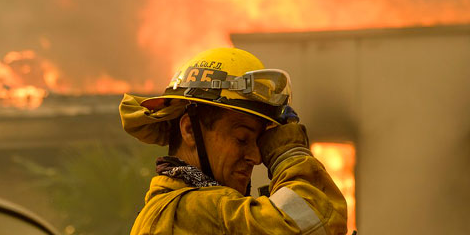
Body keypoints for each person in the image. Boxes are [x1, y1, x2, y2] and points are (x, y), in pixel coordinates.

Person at [119, 47, 348, 234]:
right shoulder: (191, 213)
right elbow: (319, 219)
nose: (256, 157)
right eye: (242, 138)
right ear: (189, 130)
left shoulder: (182, 210)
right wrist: (289, 153)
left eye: (259, 142)